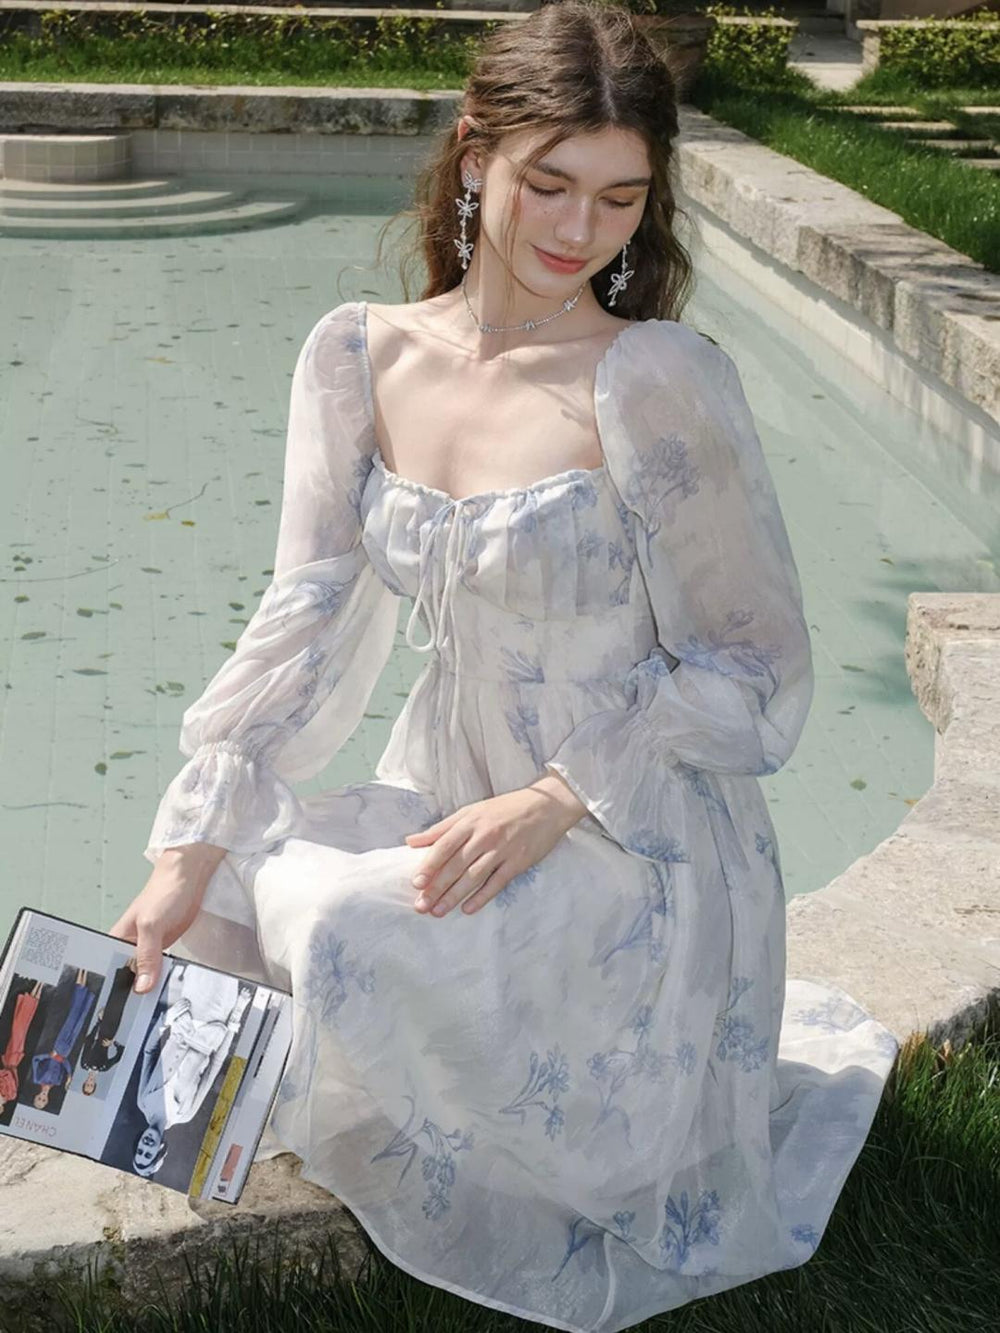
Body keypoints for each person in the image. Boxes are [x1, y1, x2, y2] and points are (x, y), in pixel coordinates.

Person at [109, 3, 899, 1328]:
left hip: (635, 828)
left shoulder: (654, 377)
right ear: (475, 155)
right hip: (455, 782)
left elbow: (754, 663)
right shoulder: (360, 353)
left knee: (344, 927)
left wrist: (553, 799)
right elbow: (308, 607)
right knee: (231, 877)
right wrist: (189, 835)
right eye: (550, 182)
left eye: (620, 198)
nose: (580, 230)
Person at [131, 963, 252, 1177]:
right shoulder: (185, 1114)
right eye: (148, 1154)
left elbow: (149, 1052)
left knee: (203, 955)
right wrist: (237, 1014)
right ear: (160, 1150)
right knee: (231, 960)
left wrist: (166, 1020)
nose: (145, 1146)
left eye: (139, 1150)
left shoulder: (143, 1102)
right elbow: (214, 1068)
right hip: (215, 1021)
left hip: (186, 1013)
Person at [31, 969, 95, 1109]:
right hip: (67, 1050)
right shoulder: (57, 1082)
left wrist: (50, 1055)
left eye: (39, 1099)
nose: (42, 1097)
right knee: (80, 1020)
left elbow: (35, 1060)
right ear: (47, 1100)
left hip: (59, 1046)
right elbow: (64, 1063)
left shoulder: (38, 1078)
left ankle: (82, 975)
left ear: (37, 1096)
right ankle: (85, 989)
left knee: (73, 1015)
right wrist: (69, 1076)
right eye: (43, 1100)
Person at [80, 958, 139, 1094]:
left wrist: (98, 1021)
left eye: (87, 1084)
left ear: (85, 1082)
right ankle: (133, 965)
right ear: (95, 1084)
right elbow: (120, 1054)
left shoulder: (84, 1064)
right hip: (111, 1030)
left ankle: (129, 963)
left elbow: (88, 1041)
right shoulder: (104, 1067)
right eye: (91, 1085)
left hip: (101, 1027)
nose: (90, 1083)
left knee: (113, 996)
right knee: (120, 1001)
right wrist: (113, 1043)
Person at [0, 979, 43, 1112]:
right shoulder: (11, 1095)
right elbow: (9, 1075)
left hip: (8, 1056)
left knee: (18, 1025)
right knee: (20, 1028)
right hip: (14, 1059)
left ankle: (34, 991)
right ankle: (38, 990)